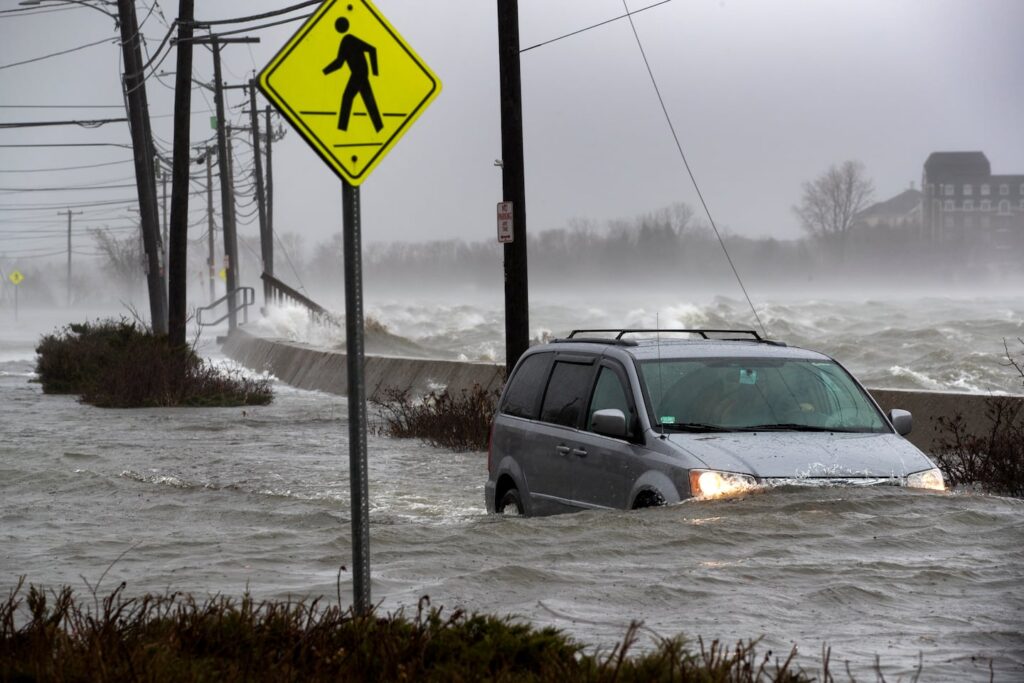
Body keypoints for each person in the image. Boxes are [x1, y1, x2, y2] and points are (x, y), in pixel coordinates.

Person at [323, 17, 383, 133]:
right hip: (360, 73)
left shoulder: (349, 39)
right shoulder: (346, 41)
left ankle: (341, 129)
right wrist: (325, 71)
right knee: (368, 100)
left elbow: (372, 49)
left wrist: (375, 72)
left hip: (359, 73)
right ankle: (379, 127)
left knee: (347, 97)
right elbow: (339, 63)